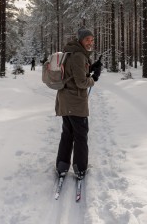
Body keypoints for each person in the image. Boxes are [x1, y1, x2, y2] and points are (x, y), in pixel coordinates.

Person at [55, 28, 102, 179]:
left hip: (66, 100)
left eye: (92, 39)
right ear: (80, 39)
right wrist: (93, 79)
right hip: (74, 102)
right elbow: (81, 82)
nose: (90, 42)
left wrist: (91, 69)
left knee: (67, 134)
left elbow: (75, 73)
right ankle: (80, 169)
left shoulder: (71, 52)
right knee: (80, 135)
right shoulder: (78, 56)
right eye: (87, 39)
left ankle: (62, 167)